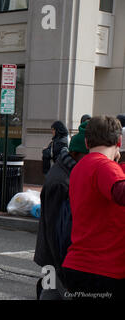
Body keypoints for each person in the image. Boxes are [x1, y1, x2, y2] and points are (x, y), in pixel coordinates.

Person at [62, 115, 125, 300]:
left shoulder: (80, 168)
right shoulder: (104, 166)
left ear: (87, 142)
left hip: (78, 266)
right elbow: (120, 192)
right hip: (104, 271)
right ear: (119, 141)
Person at [34, 120, 89, 300]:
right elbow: (54, 229)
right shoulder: (62, 181)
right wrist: (61, 266)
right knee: (52, 292)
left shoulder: (67, 172)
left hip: (55, 259)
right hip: (56, 260)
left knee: (49, 293)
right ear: (78, 154)